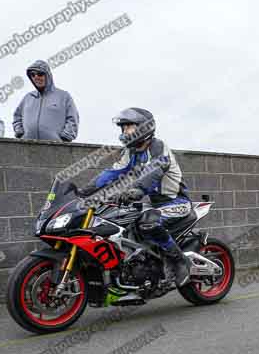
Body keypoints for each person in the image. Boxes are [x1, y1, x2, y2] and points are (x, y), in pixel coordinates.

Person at [78, 108, 191, 287]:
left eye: (129, 127)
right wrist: (85, 191)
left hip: (177, 201)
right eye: (123, 128)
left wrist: (137, 190)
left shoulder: (158, 147)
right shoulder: (131, 152)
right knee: (122, 219)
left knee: (148, 222)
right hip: (155, 204)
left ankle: (179, 261)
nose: (124, 132)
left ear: (144, 128)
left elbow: (154, 170)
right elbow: (111, 173)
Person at [13, 60, 79, 142]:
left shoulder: (64, 96)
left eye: (40, 74)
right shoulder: (27, 98)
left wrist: (65, 138)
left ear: (48, 75)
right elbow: (17, 116)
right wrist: (20, 132)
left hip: (55, 149)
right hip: (27, 148)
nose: (36, 77)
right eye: (33, 75)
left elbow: (72, 119)